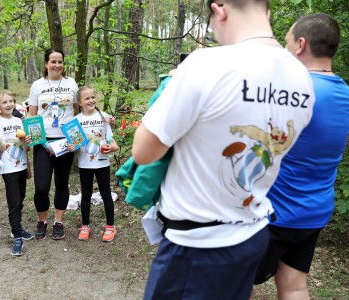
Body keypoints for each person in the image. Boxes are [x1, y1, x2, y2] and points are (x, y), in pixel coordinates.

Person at [131, 0, 315, 299]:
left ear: (220, 10)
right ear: (266, 11)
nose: (215, 33)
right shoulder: (302, 78)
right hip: (252, 234)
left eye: (212, 24)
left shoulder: (206, 64)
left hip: (196, 245)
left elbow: (143, 152)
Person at [253, 13, 349, 299]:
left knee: (235, 284)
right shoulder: (344, 93)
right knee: (294, 286)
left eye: (286, 42)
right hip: (314, 211)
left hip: (275, 213)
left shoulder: (294, 91)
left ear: (301, 45)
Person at [27, 48, 79, 240]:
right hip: (43, 141)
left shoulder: (71, 83)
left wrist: (77, 139)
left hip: (65, 141)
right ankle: (42, 221)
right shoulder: (37, 85)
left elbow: (77, 112)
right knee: (41, 186)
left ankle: (58, 222)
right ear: (46, 64)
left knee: (62, 183)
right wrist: (32, 137)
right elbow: (32, 114)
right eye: (53, 61)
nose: (57, 65)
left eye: (60, 61)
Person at [67, 86, 119, 242]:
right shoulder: (75, 121)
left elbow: (111, 140)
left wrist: (114, 147)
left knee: (106, 194)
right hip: (85, 164)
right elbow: (74, 145)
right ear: (80, 103)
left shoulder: (104, 116)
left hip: (102, 163)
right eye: (86, 98)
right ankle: (85, 226)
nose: (90, 100)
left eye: (92, 97)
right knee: (86, 195)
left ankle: (110, 227)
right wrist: (71, 147)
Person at [0, 90, 34, 256]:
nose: (9, 104)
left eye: (11, 101)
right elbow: (1, 147)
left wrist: (28, 166)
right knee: (14, 201)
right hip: (8, 167)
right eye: (4, 102)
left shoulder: (19, 120)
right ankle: (17, 236)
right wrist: (1, 139)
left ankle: (16, 228)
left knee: (22, 198)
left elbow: (25, 146)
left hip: (21, 165)